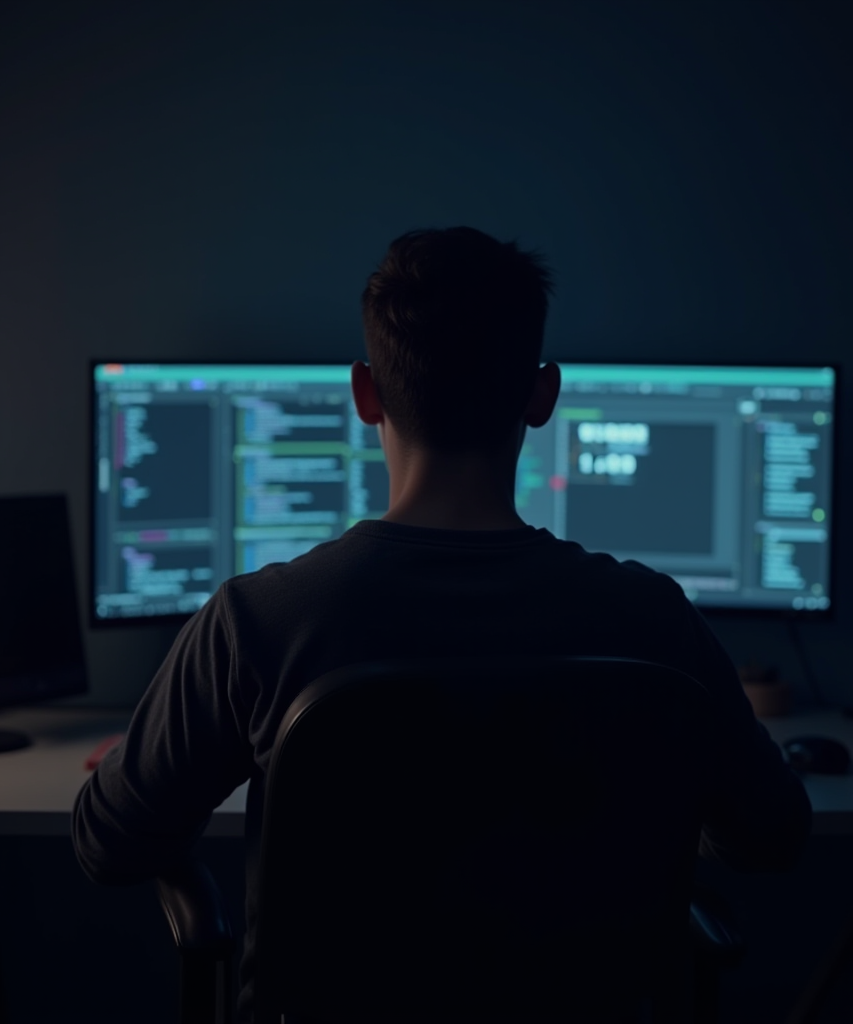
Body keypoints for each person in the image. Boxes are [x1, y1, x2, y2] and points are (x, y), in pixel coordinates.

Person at [72, 226, 811, 1023]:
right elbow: (772, 835)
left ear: (364, 394)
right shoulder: (654, 620)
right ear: (542, 397)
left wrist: (150, 757)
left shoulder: (257, 621)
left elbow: (111, 846)